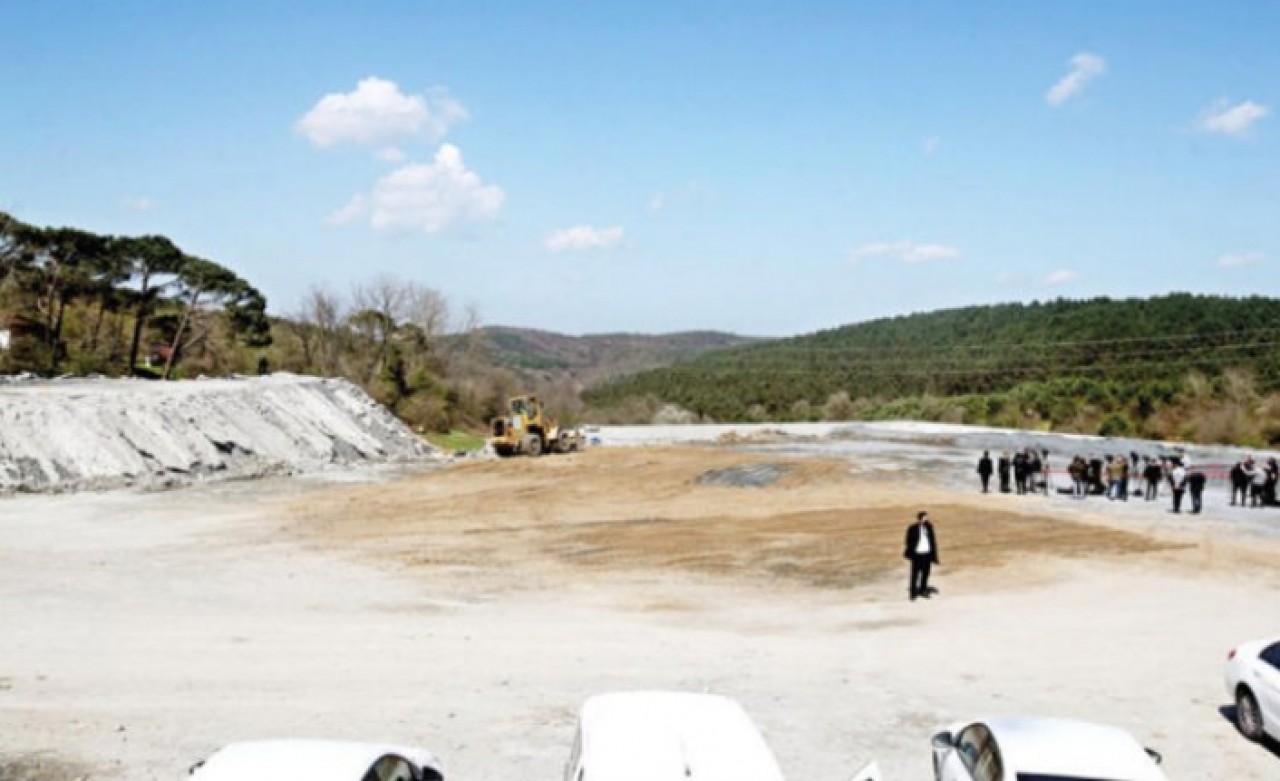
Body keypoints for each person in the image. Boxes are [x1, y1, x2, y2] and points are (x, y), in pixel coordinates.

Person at [903, 511, 940, 601]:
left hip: (927, 554)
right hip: (917, 555)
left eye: (926, 517)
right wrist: (912, 550)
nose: (926, 519)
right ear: (920, 518)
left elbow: (933, 541)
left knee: (925, 574)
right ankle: (913, 593)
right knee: (915, 574)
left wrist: (933, 555)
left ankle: (923, 590)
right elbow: (908, 541)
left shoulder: (929, 527)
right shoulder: (912, 528)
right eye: (925, 517)